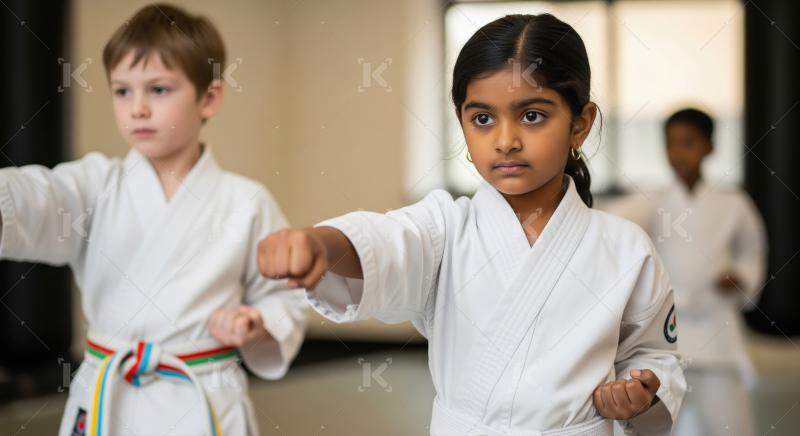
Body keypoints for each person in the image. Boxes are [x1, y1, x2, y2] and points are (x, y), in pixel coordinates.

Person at [259, 14, 685, 435]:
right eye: (482, 118)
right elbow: (387, 243)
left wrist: (639, 393)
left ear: (580, 123)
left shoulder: (626, 248)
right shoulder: (447, 226)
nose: (505, 140)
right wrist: (323, 244)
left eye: (532, 116)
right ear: (461, 121)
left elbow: (652, 356)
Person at [0, 4, 306, 435]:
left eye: (158, 89)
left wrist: (256, 326)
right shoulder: (96, 185)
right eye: (122, 91)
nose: (137, 108)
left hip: (203, 399)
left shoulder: (246, 201)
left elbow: (283, 299)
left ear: (210, 97)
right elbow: (36, 199)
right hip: (111, 397)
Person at [605, 108, 767, 436]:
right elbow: (607, 225)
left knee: (732, 427)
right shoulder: (652, 200)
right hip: (666, 335)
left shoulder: (733, 203)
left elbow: (752, 253)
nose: (677, 152)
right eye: (670, 144)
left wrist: (740, 278)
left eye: (687, 143)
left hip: (716, 333)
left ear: (709, 147)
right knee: (650, 427)